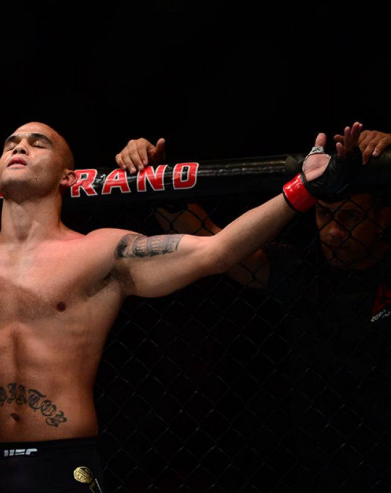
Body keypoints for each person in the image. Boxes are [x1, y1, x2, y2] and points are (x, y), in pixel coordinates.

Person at [0, 120, 360, 492]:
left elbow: (217, 252)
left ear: (68, 175)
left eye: (38, 143)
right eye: (11, 142)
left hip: (64, 463)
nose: (20, 147)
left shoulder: (100, 252)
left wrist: (302, 190)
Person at [116, 126, 391, 491]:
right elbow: (215, 245)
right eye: (325, 215)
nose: (333, 232)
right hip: (320, 464)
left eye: (350, 218)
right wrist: (158, 182)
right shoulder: (302, 271)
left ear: (383, 218)